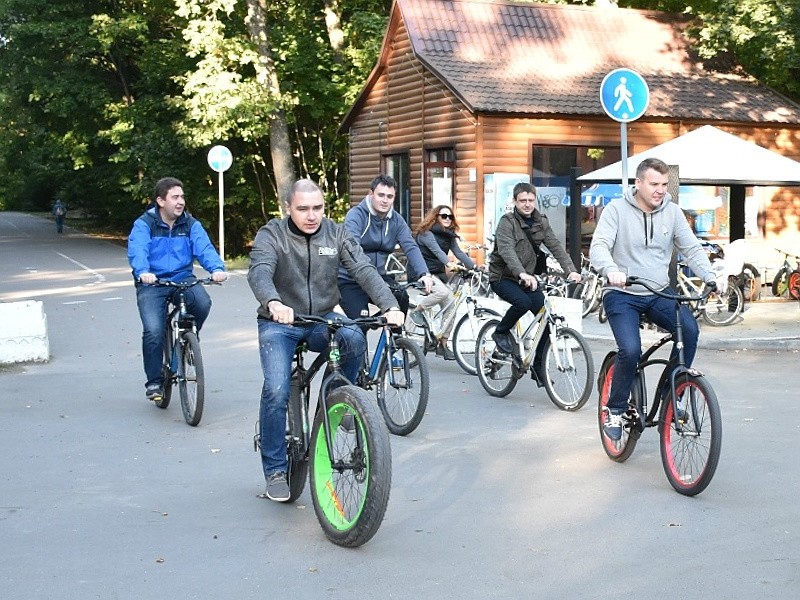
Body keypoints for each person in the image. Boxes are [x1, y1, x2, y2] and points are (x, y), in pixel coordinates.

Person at [248, 178, 405, 502]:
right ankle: (276, 470)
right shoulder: (272, 234)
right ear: (288, 208)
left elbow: (362, 269)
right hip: (280, 322)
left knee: (352, 336)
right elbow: (259, 271)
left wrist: (389, 305)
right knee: (277, 389)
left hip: (321, 317)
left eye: (317, 208)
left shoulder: (336, 233)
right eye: (303, 208)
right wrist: (274, 303)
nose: (311, 215)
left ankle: (336, 398)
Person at [589, 158, 716, 441]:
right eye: (654, 184)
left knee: (690, 331)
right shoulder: (616, 210)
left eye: (663, 184)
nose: (660, 190)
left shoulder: (672, 213)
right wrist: (611, 271)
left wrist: (710, 277)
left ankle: (673, 394)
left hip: (658, 291)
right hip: (622, 293)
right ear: (639, 183)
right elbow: (599, 246)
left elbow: (692, 249)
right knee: (631, 350)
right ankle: (616, 408)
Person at [127, 177, 227, 402]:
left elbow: (205, 249)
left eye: (182, 197)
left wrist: (217, 268)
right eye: (175, 197)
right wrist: (143, 271)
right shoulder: (145, 224)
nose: (181, 201)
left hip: (183, 277)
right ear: (161, 201)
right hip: (152, 282)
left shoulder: (190, 224)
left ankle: (188, 342)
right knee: (153, 330)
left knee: (202, 302)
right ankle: (154, 382)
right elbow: (138, 250)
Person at [487, 182, 581, 386]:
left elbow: (555, 246)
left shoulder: (541, 222)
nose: (527, 204)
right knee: (522, 303)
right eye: (523, 201)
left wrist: (571, 270)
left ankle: (538, 369)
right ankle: (500, 331)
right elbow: (506, 251)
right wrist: (521, 272)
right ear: (515, 201)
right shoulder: (507, 222)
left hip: (526, 279)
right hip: (503, 277)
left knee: (546, 320)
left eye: (530, 200)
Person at [337, 174, 434, 320]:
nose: (385, 200)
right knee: (358, 326)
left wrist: (424, 273)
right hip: (351, 279)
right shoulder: (356, 216)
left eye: (390, 196)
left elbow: (410, 246)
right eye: (380, 195)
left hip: (380, 277)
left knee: (401, 297)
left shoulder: (396, 220)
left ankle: (395, 341)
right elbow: (352, 250)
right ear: (371, 194)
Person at [410, 204, 477, 359]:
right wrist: (448, 263)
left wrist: (475, 267)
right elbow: (437, 251)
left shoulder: (449, 235)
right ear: (436, 217)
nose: (447, 219)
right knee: (443, 292)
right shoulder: (427, 233)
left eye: (450, 216)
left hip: (438, 274)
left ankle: (443, 344)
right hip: (423, 272)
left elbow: (459, 252)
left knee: (450, 303)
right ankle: (417, 311)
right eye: (443, 216)